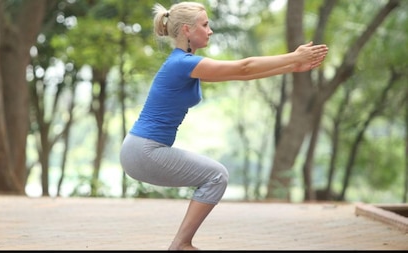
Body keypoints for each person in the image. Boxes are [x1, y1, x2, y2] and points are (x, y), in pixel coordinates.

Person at [119, 1, 328, 250]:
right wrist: (293, 57)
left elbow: (243, 73)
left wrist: (292, 66)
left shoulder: (185, 64)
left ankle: (180, 244)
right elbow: (244, 66)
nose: (210, 31)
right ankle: (181, 244)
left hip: (140, 149)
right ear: (187, 30)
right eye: (205, 25)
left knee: (214, 176)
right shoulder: (182, 64)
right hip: (143, 150)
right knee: (216, 175)